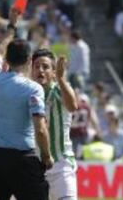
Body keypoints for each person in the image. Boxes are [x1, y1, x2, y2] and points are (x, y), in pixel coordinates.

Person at [0, 8, 53, 200]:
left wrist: (11, 26)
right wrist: (46, 156)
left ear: (7, 60)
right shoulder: (34, 89)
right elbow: (41, 129)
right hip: (23, 160)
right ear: (29, 60)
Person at [31, 48, 78, 200]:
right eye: (36, 66)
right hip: (34, 167)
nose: (40, 70)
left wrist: (61, 78)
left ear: (53, 72)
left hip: (61, 165)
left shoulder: (60, 89)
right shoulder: (26, 93)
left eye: (45, 67)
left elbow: (72, 106)